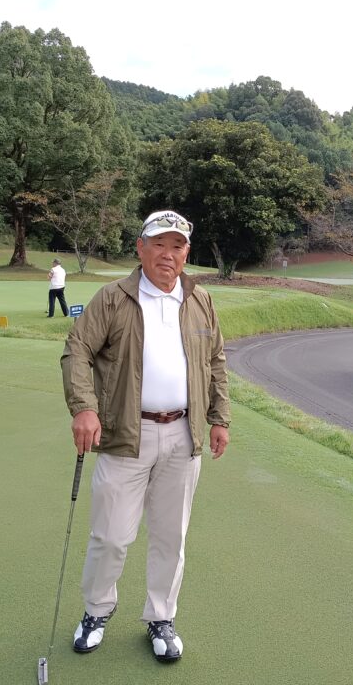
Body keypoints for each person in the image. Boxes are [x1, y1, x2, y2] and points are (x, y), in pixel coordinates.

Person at [60, 209, 230, 663]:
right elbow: (77, 350)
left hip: (183, 434)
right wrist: (84, 408)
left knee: (171, 537)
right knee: (111, 537)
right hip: (125, 435)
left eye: (177, 246)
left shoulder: (200, 299)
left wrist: (220, 418)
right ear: (140, 248)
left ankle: (161, 617)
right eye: (159, 244)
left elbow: (215, 360)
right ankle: (97, 611)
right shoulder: (113, 298)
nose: (167, 254)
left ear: (186, 253)